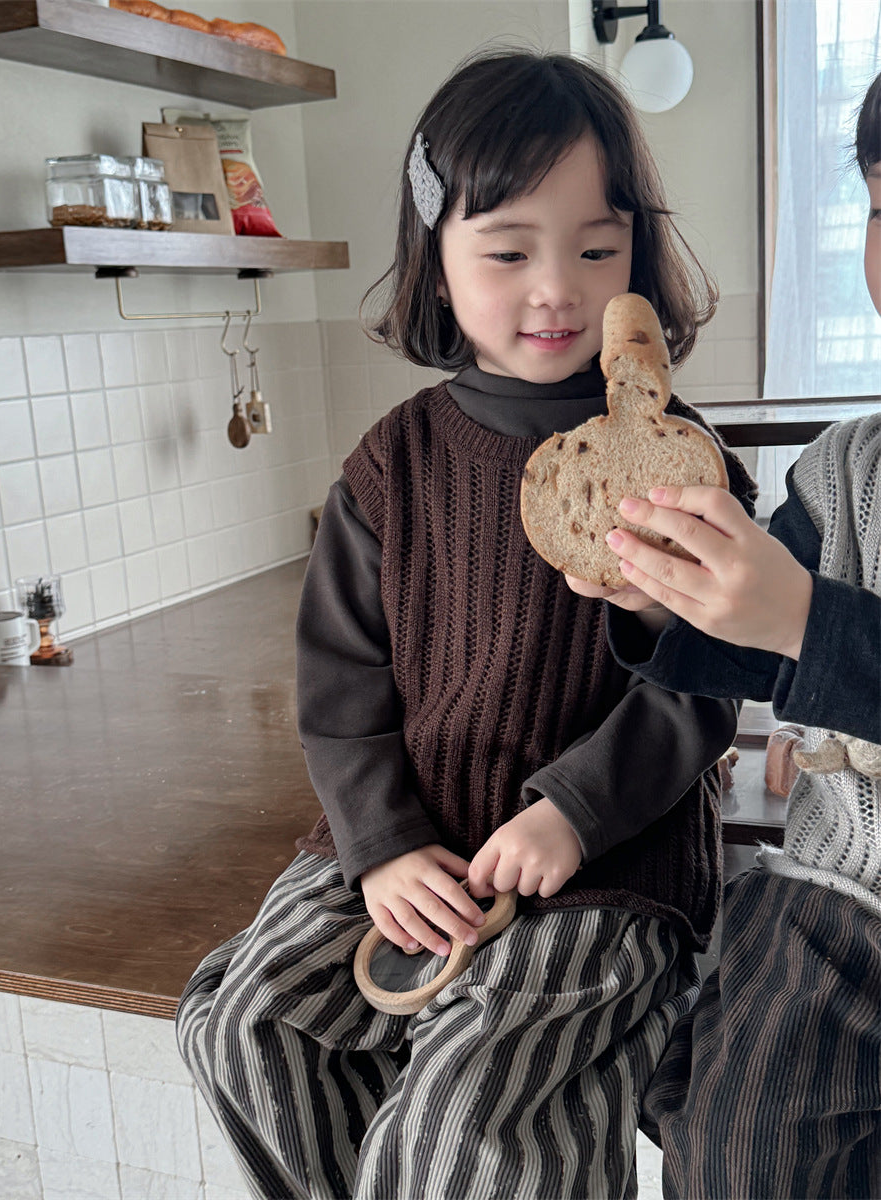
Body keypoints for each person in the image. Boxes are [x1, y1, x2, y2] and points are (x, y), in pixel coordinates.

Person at [176, 49, 756, 1200]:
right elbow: (342, 683)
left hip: (604, 862)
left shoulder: (680, 462)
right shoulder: (393, 464)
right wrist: (381, 842)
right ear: (437, 264)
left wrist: (574, 816)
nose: (559, 289)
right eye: (508, 251)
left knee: (467, 1120)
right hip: (405, 845)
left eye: (599, 249)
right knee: (239, 1024)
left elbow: (703, 683)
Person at [567, 71, 881, 1199]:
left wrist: (803, 618)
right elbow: (752, 645)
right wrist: (663, 598)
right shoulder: (844, 467)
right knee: (728, 1142)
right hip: (842, 896)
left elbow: (799, 627)